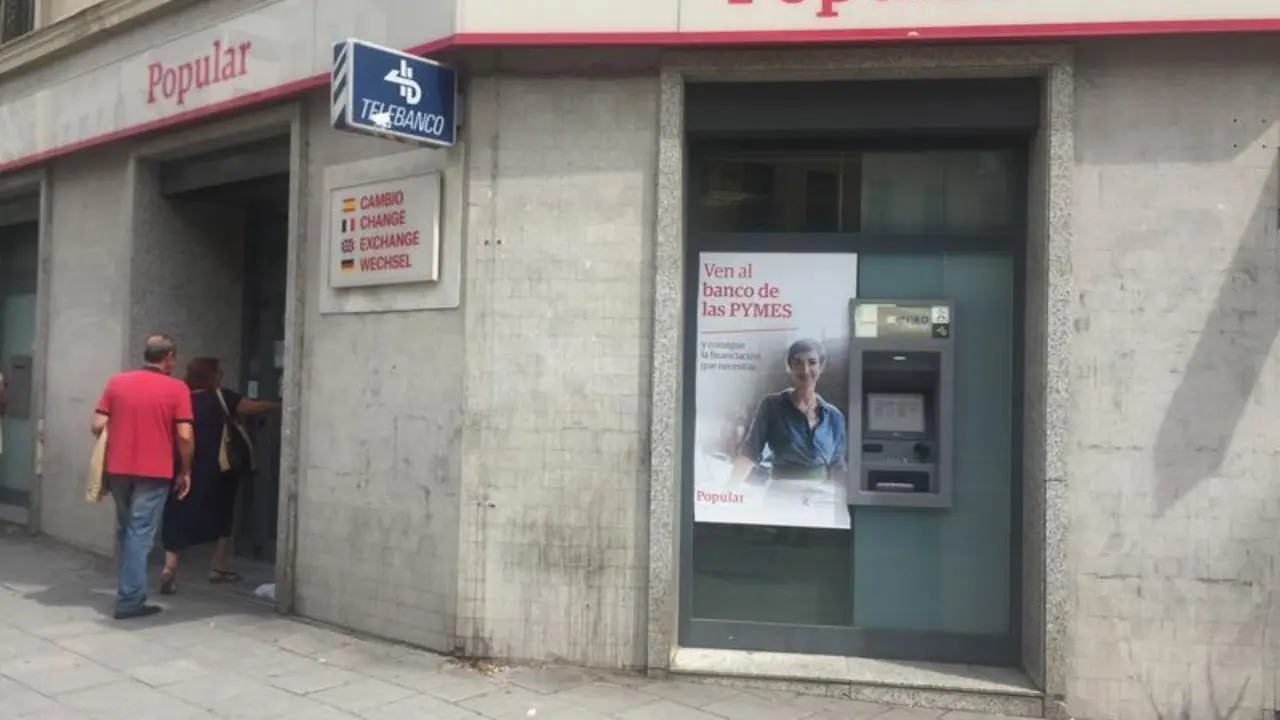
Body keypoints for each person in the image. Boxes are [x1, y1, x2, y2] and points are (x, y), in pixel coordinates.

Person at [91, 333, 193, 620]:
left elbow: (97, 424)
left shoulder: (117, 382)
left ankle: (128, 589)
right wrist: (186, 469)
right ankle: (130, 600)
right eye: (174, 358)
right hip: (154, 472)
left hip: (118, 470)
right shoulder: (177, 388)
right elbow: (185, 435)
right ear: (168, 357)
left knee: (128, 531)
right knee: (140, 534)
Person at [159, 357, 278, 593]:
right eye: (218, 371)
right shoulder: (221, 397)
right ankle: (218, 565)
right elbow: (253, 407)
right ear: (212, 375)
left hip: (183, 465)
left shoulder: (180, 397)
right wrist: (282, 403)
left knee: (177, 513)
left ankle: (170, 566)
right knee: (222, 513)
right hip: (219, 468)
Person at [730, 338, 847, 484]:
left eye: (812, 362)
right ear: (789, 367)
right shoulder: (771, 405)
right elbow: (750, 452)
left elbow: (837, 465)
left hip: (820, 494)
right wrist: (728, 490)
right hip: (781, 491)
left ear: (821, 366)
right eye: (798, 363)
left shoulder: (834, 416)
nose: (805, 370)